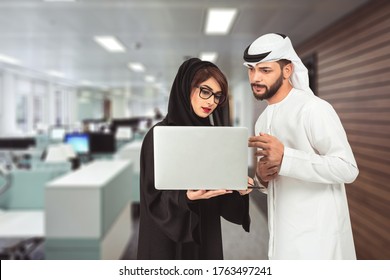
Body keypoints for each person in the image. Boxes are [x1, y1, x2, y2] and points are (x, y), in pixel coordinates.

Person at [243, 33, 359, 260]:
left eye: (265, 70)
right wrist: (262, 178)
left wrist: (286, 157)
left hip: (319, 241)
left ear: (287, 71)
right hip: (281, 237)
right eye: (251, 69)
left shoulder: (313, 109)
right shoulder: (262, 120)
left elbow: (347, 168)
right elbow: (277, 180)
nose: (255, 77)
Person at [137, 58, 251, 260]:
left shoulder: (213, 136)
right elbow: (151, 197)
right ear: (186, 87)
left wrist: (238, 189)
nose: (211, 102)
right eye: (205, 91)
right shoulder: (158, 136)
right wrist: (185, 197)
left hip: (204, 231)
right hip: (167, 240)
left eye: (217, 96)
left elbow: (220, 192)